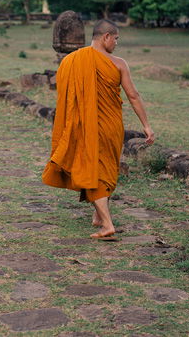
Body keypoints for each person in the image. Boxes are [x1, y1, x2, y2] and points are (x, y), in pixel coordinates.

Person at [41, 19, 155, 239]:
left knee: (95, 169)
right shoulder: (118, 63)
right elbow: (133, 95)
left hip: (87, 124)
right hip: (111, 125)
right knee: (101, 168)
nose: (116, 44)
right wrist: (146, 126)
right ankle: (99, 216)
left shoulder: (71, 61)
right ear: (106, 37)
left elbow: (66, 96)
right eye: (116, 39)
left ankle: (107, 224)